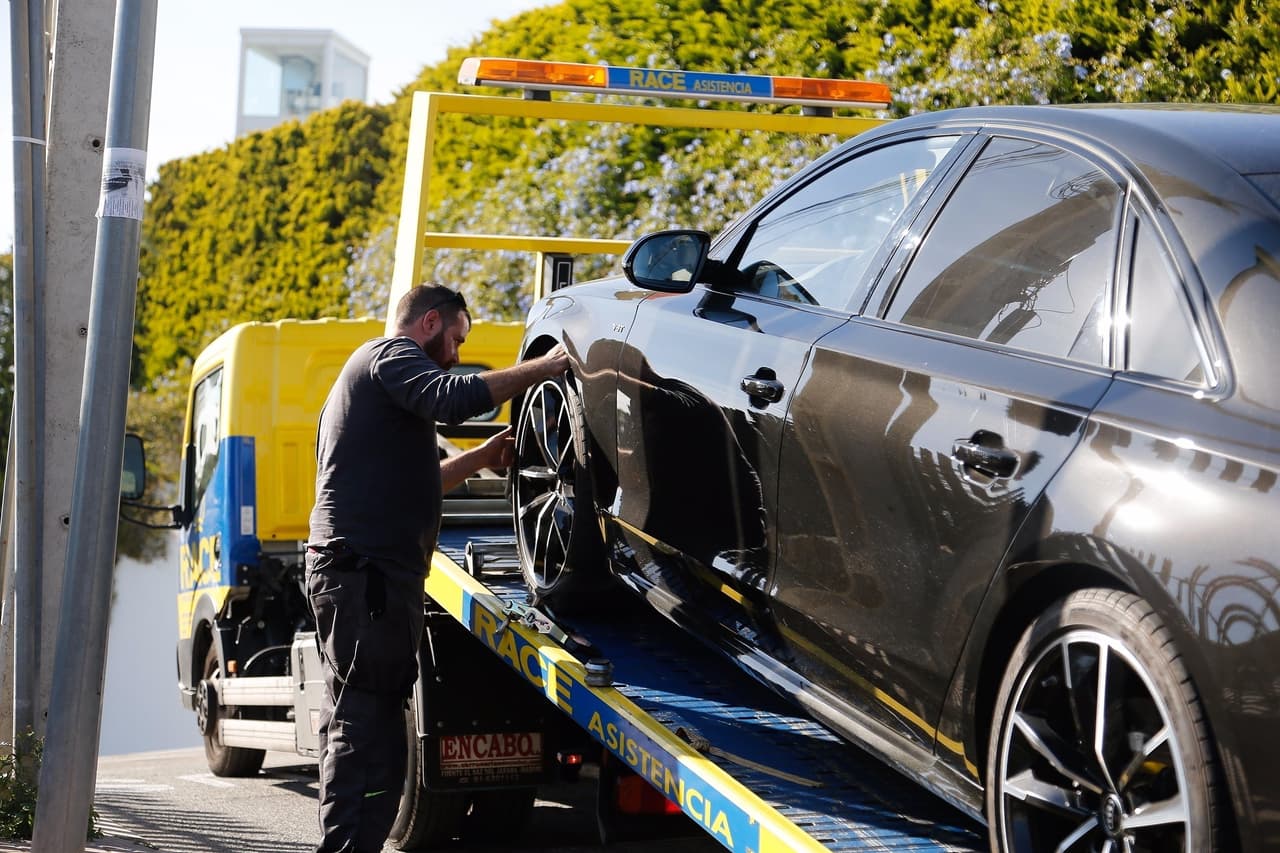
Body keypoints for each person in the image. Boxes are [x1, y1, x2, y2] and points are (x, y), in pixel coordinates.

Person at [305, 283, 569, 853]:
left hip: (372, 578)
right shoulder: (390, 356)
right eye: (456, 338)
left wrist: (481, 457)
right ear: (428, 322)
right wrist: (545, 367)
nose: (456, 353)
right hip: (364, 577)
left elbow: (426, 480)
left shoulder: (387, 390)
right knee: (363, 725)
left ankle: (356, 845)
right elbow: (453, 398)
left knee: (372, 725)